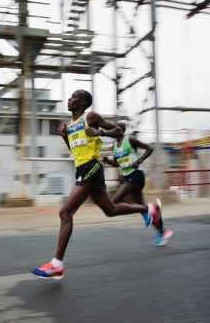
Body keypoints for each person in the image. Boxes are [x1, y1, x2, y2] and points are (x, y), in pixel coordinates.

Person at [32, 90, 164, 280]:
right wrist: (64, 137)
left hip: (91, 167)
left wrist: (100, 131)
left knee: (65, 212)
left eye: (73, 97)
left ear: (82, 102)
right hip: (82, 167)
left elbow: (118, 131)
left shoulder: (90, 117)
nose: (69, 100)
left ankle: (56, 265)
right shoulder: (71, 126)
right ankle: (149, 209)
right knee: (110, 209)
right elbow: (75, 151)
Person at [103, 122, 173, 246]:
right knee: (143, 210)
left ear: (122, 131)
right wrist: (108, 161)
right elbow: (117, 163)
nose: (114, 130)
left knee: (114, 201)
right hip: (127, 177)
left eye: (117, 129)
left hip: (136, 175)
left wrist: (139, 161)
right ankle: (162, 232)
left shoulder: (129, 140)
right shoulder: (114, 146)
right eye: (114, 128)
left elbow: (149, 148)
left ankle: (151, 209)